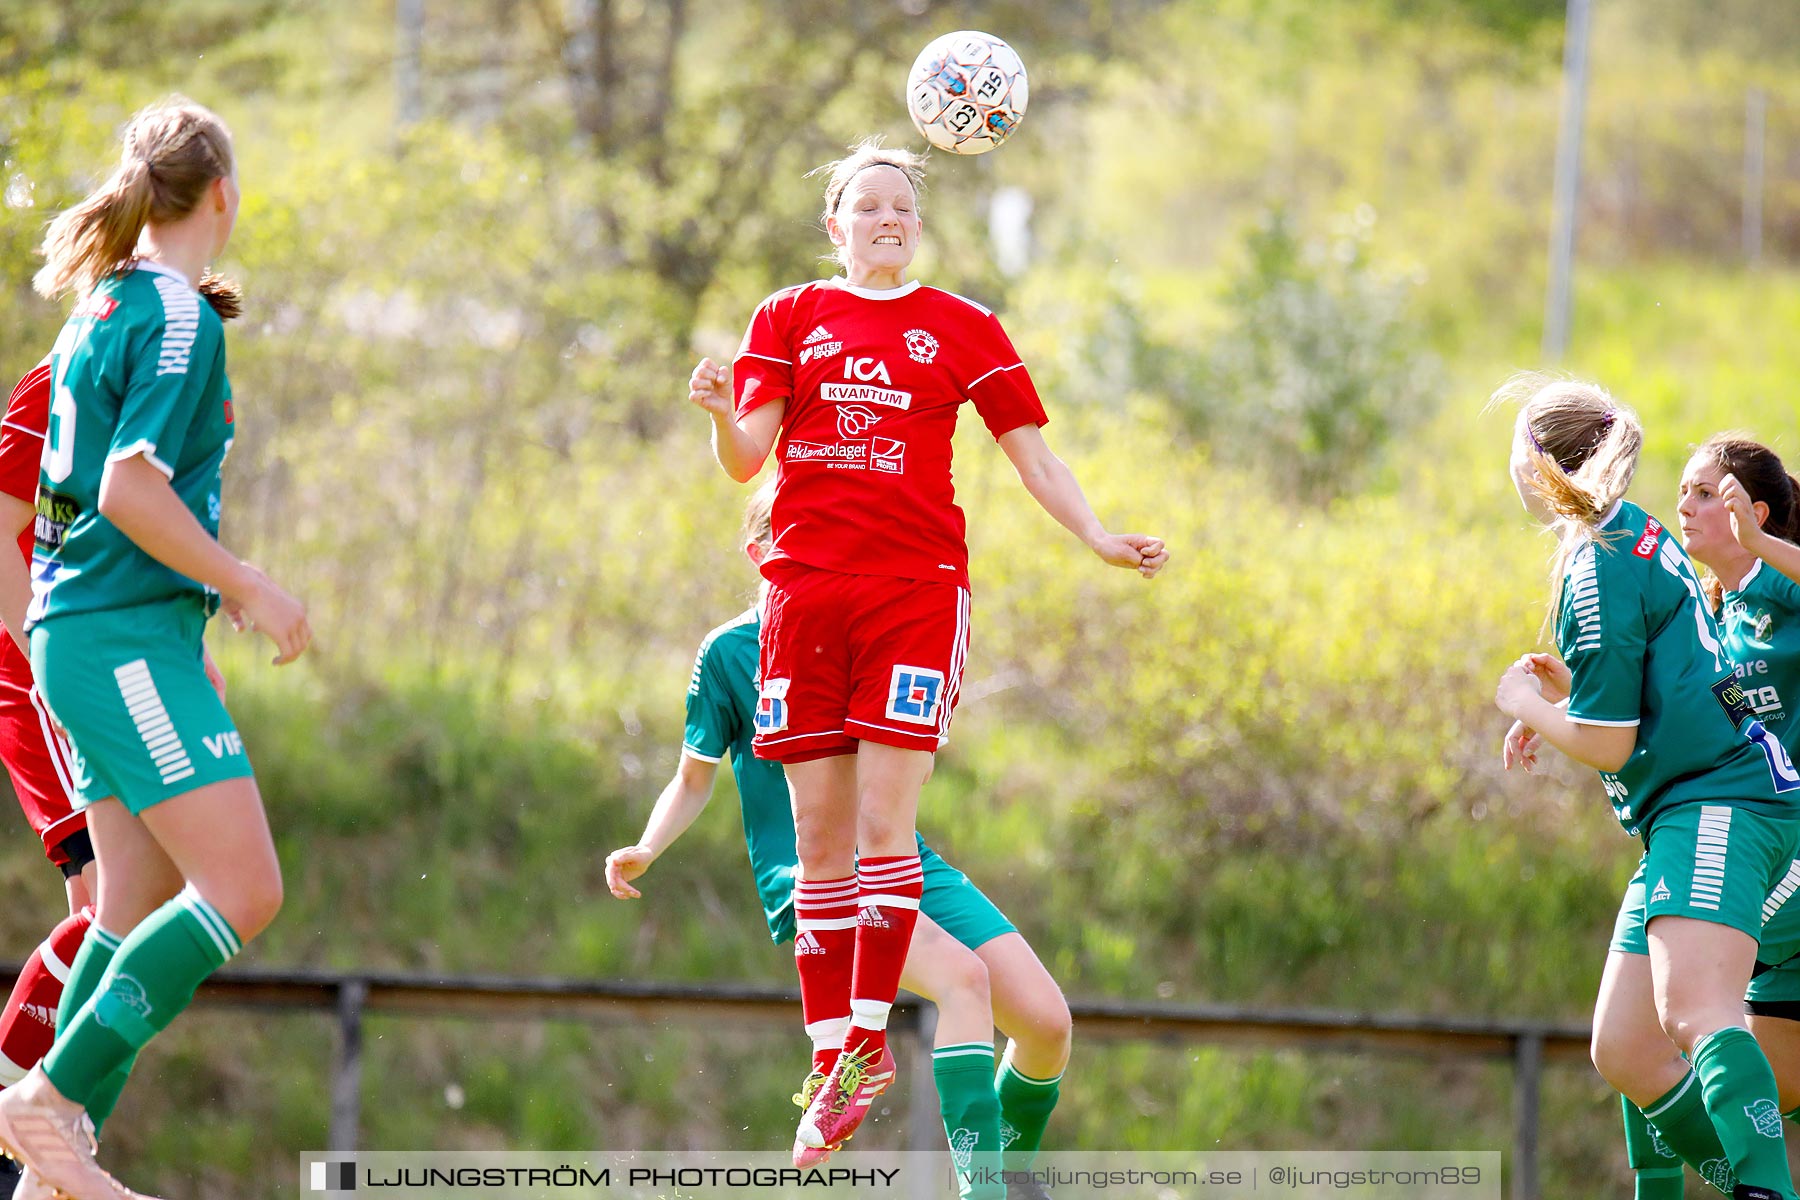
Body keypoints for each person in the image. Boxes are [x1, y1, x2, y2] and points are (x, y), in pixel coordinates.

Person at [688, 137, 1165, 1161]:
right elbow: (746, 461)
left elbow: (1034, 457)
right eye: (867, 205)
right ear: (836, 225)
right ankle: (834, 1057)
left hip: (912, 596)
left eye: (902, 205)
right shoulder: (788, 316)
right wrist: (723, 417)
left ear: (918, 224)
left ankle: (868, 1041)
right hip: (803, 598)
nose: (887, 218)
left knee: (880, 828)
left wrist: (1097, 535)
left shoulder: (962, 327)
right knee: (819, 839)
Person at [0, 97, 310, 1200]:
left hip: (85, 635)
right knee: (245, 888)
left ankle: (47, 1185)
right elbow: (129, 484)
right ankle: (44, 1104)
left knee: (126, 910)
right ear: (223, 193)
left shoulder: (106, 302)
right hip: (125, 638)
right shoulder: (179, 316)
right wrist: (247, 585)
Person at [604, 484, 1069, 1199]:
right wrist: (647, 846)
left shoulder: (865, 622)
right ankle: (984, 1190)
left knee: (1045, 1025)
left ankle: (1008, 1176)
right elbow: (693, 779)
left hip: (899, 861)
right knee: (963, 983)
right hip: (815, 878)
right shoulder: (729, 654)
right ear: (762, 555)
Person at [1493, 375, 1800, 1200]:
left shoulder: (1595, 560)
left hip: (1724, 805)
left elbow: (1606, 742)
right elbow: (1664, 679)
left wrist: (1524, 701)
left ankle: (1769, 1187)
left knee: (1698, 1011)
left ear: (1538, 461)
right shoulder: (1632, 533)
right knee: (1624, 1049)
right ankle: (1752, 1179)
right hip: (1693, 809)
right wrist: (1562, 696)